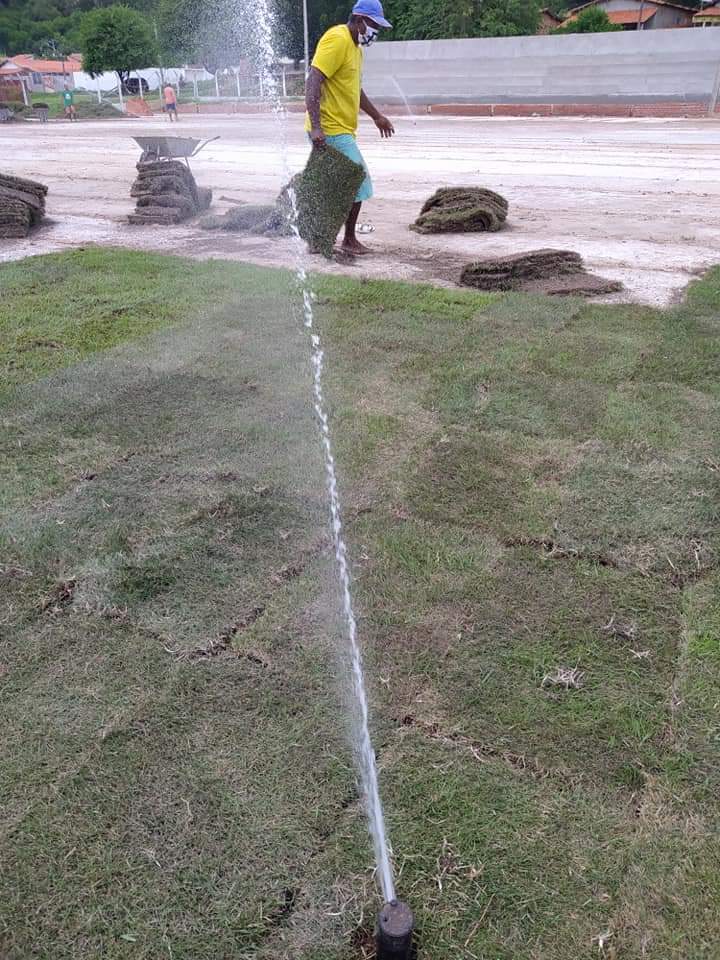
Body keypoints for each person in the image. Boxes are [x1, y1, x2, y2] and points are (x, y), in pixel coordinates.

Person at [305, 0, 395, 256]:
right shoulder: (337, 39)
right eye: (374, 25)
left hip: (342, 128)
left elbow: (355, 89)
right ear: (359, 20)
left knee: (338, 185)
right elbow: (313, 80)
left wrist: (377, 116)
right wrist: (316, 128)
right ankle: (345, 239)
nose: (375, 32)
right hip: (330, 128)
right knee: (358, 179)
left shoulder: (356, 49)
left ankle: (327, 238)